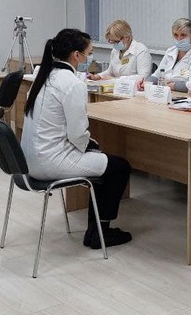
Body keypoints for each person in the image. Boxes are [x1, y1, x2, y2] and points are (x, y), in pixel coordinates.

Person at [22, 29, 132, 249]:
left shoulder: (44, 77)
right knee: (119, 167)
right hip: (51, 162)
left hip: (28, 160)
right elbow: (77, 134)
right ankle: (101, 233)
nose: (90, 59)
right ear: (76, 55)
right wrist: (90, 145)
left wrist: (88, 145)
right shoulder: (72, 84)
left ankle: (95, 230)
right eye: (89, 54)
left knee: (102, 160)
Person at [142, 18, 191, 92]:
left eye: (183, 35)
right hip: (168, 92)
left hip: (189, 96)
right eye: (176, 35)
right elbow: (157, 75)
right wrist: (146, 83)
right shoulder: (171, 51)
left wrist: (171, 85)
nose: (179, 39)